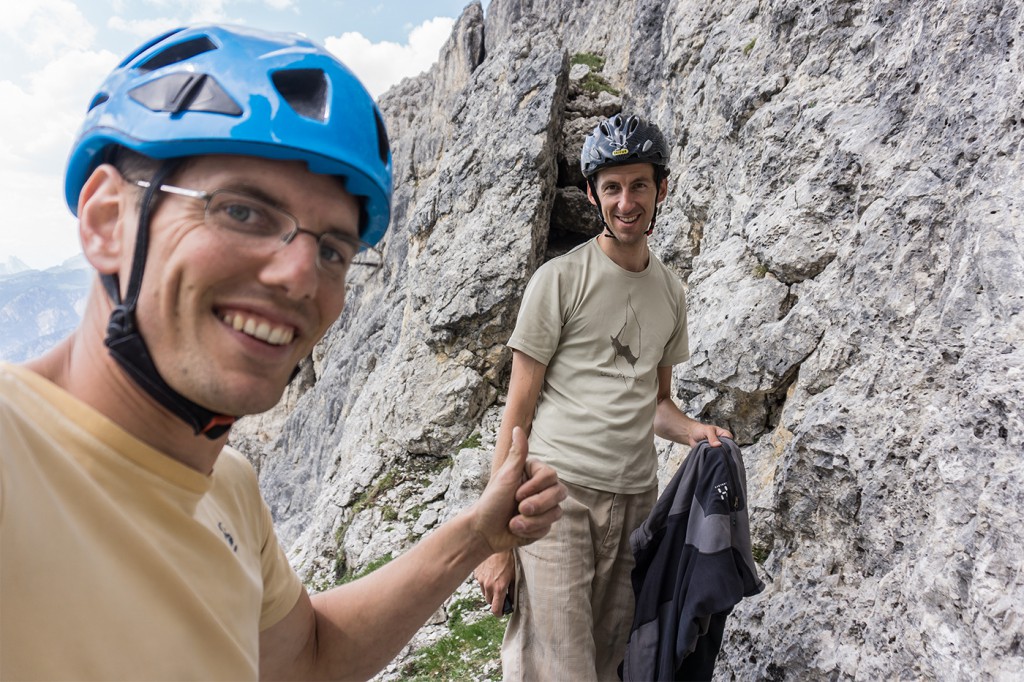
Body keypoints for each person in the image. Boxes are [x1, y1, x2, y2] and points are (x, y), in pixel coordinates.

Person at [0, 24, 566, 681]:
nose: (302, 275)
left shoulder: (229, 486)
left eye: (333, 249)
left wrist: (476, 536)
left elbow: (306, 659)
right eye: (242, 212)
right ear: (106, 221)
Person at [473, 113, 733, 681]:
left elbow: (656, 402)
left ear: (661, 189)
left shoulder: (671, 292)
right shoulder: (559, 280)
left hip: (636, 503)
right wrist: (495, 541)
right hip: (554, 497)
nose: (626, 201)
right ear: (593, 194)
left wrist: (694, 432)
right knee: (557, 667)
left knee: (616, 662)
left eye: (639, 184)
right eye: (611, 187)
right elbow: (517, 409)